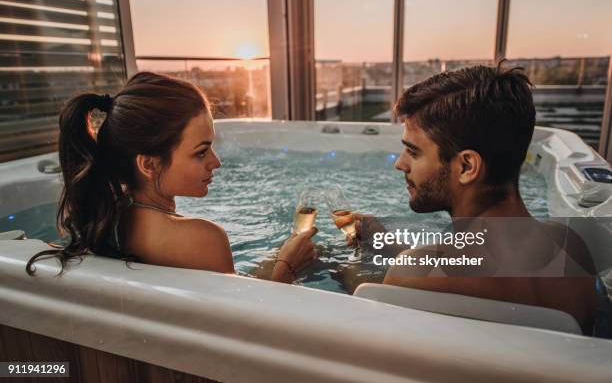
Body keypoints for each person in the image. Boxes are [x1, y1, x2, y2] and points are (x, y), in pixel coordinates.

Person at [355, 65, 602, 334]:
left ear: (466, 167)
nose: (400, 164)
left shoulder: (412, 273)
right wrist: (386, 243)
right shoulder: (573, 249)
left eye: (413, 153)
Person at [26, 72, 316, 283]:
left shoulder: (105, 221)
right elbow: (248, 328)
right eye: (201, 152)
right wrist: (287, 266)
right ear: (149, 164)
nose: (216, 162)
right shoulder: (203, 238)